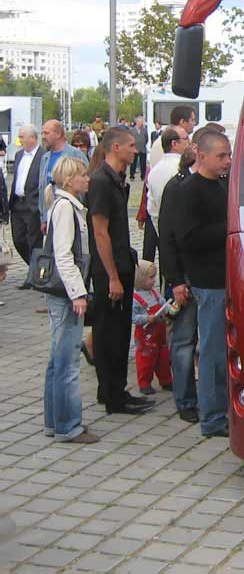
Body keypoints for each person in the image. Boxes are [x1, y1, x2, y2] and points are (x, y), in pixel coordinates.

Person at [88, 127, 151, 415]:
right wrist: (112, 276)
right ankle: (112, 395)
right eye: (130, 146)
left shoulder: (117, 179)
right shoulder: (101, 181)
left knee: (120, 331)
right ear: (115, 148)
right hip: (108, 270)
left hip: (122, 264)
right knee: (109, 333)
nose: (135, 151)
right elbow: (100, 232)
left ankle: (115, 390)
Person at [177, 130, 231, 437]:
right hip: (208, 283)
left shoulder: (223, 184)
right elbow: (188, 238)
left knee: (223, 352)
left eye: (228, 155)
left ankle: (222, 410)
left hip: (225, 278)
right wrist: (229, 227)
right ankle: (212, 418)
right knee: (211, 354)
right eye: (221, 156)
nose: (227, 161)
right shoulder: (189, 190)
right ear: (203, 155)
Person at [41, 155, 99, 443]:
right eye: (83, 175)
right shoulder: (66, 207)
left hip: (60, 292)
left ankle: (54, 420)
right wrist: (78, 292)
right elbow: (64, 256)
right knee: (66, 363)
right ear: (69, 180)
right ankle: (68, 425)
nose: (87, 179)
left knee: (57, 360)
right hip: (66, 293)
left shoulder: (62, 205)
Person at [158, 136, 204, 424]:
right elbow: (168, 238)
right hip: (184, 277)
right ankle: (185, 400)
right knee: (184, 340)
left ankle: (208, 397)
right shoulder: (176, 189)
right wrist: (175, 280)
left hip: (207, 275)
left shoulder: (216, 184)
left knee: (204, 340)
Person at [131, 260, 173, 395]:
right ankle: (144, 383)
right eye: (151, 277)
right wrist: (146, 318)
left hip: (160, 333)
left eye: (155, 277)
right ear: (140, 278)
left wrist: (170, 309)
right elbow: (133, 317)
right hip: (146, 336)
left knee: (163, 358)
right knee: (145, 360)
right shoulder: (135, 298)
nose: (154, 280)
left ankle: (166, 380)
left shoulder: (154, 293)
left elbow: (162, 304)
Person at [38, 121, 87, 235]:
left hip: (70, 213)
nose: (43, 137)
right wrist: (43, 218)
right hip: (51, 214)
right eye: (43, 133)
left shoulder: (75, 155)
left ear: (58, 134)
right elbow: (42, 189)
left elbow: (86, 183)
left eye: (46, 133)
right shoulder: (45, 158)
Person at [8, 125, 44, 264]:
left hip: (33, 205)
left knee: (34, 241)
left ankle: (35, 275)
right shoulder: (18, 155)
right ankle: (33, 268)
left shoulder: (43, 156)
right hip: (17, 204)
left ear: (33, 138)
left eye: (22, 136)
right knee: (18, 239)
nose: (20, 140)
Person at [146, 127, 189, 233]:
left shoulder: (154, 172)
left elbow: (152, 209)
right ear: (174, 144)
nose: (189, 142)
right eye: (186, 138)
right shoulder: (183, 168)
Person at [129, 116, 149, 181]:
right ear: (137, 122)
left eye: (142, 122)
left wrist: (142, 144)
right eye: (140, 122)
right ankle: (132, 176)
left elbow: (146, 139)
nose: (142, 123)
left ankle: (143, 176)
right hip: (134, 149)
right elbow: (130, 139)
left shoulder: (144, 130)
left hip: (142, 149)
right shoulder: (131, 130)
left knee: (143, 163)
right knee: (133, 163)